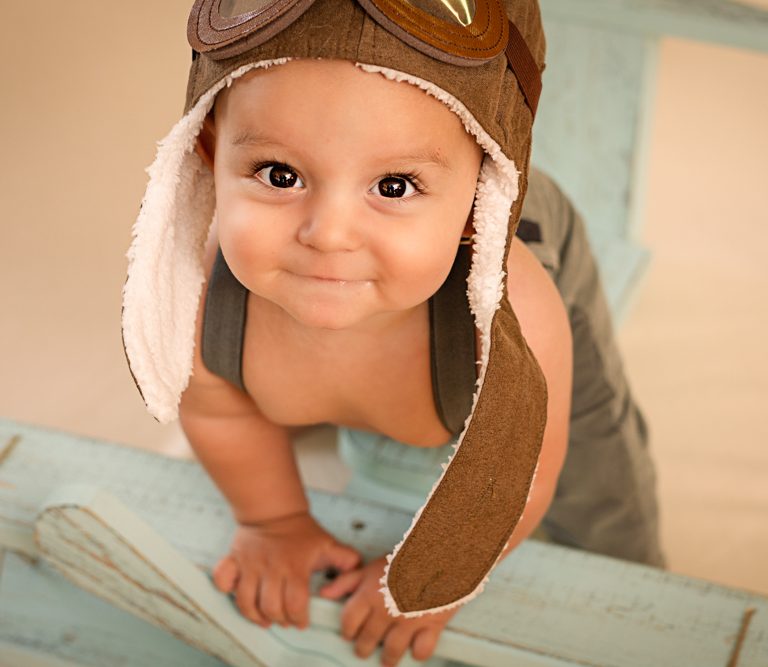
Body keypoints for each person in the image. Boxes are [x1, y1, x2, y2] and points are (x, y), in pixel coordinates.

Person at [121, 1, 662, 664]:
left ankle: (646, 594)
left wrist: (438, 579)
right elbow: (218, 410)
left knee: (593, 453)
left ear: (480, 189)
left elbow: (523, 479)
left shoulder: (516, 312)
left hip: (512, 272)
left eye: (394, 185)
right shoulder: (202, 296)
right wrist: (275, 521)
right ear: (206, 155)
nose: (329, 234)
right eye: (280, 175)